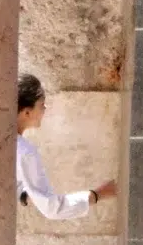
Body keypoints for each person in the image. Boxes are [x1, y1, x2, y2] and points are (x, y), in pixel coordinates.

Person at [16, 73, 116, 220]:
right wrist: (98, 194)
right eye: (41, 104)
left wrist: (26, 194)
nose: (45, 108)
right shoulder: (25, 151)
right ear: (27, 112)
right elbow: (53, 209)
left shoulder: (3, 142)